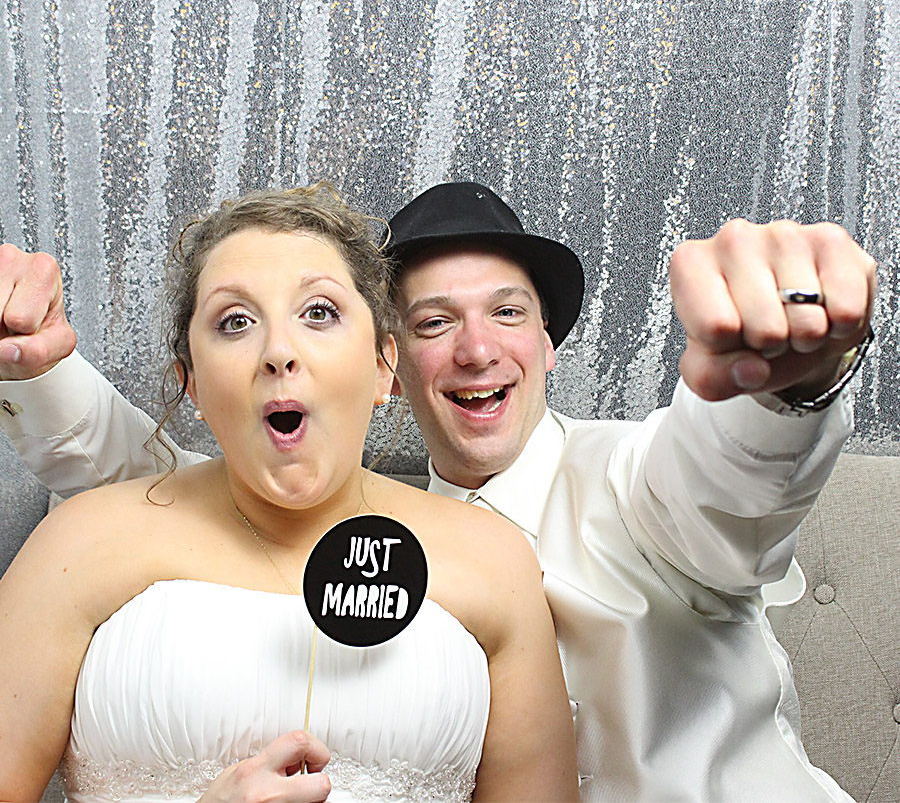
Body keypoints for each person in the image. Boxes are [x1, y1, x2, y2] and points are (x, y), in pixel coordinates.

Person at [0, 182, 875, 802]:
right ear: (396, 363)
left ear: (548, 344)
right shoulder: (314, 511)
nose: (475, 350)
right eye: (433, 322)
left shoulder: (633, 480)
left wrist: (779, 386)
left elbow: (726, 487)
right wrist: (40, 367)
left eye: (507, 312)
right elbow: (163, 492)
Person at [0, 185, 578, 803]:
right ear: (189, 381)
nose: (278, 351)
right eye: (236, 322)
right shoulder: (76, 544)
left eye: (320, 313)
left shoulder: (496, 560)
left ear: (386, 364)